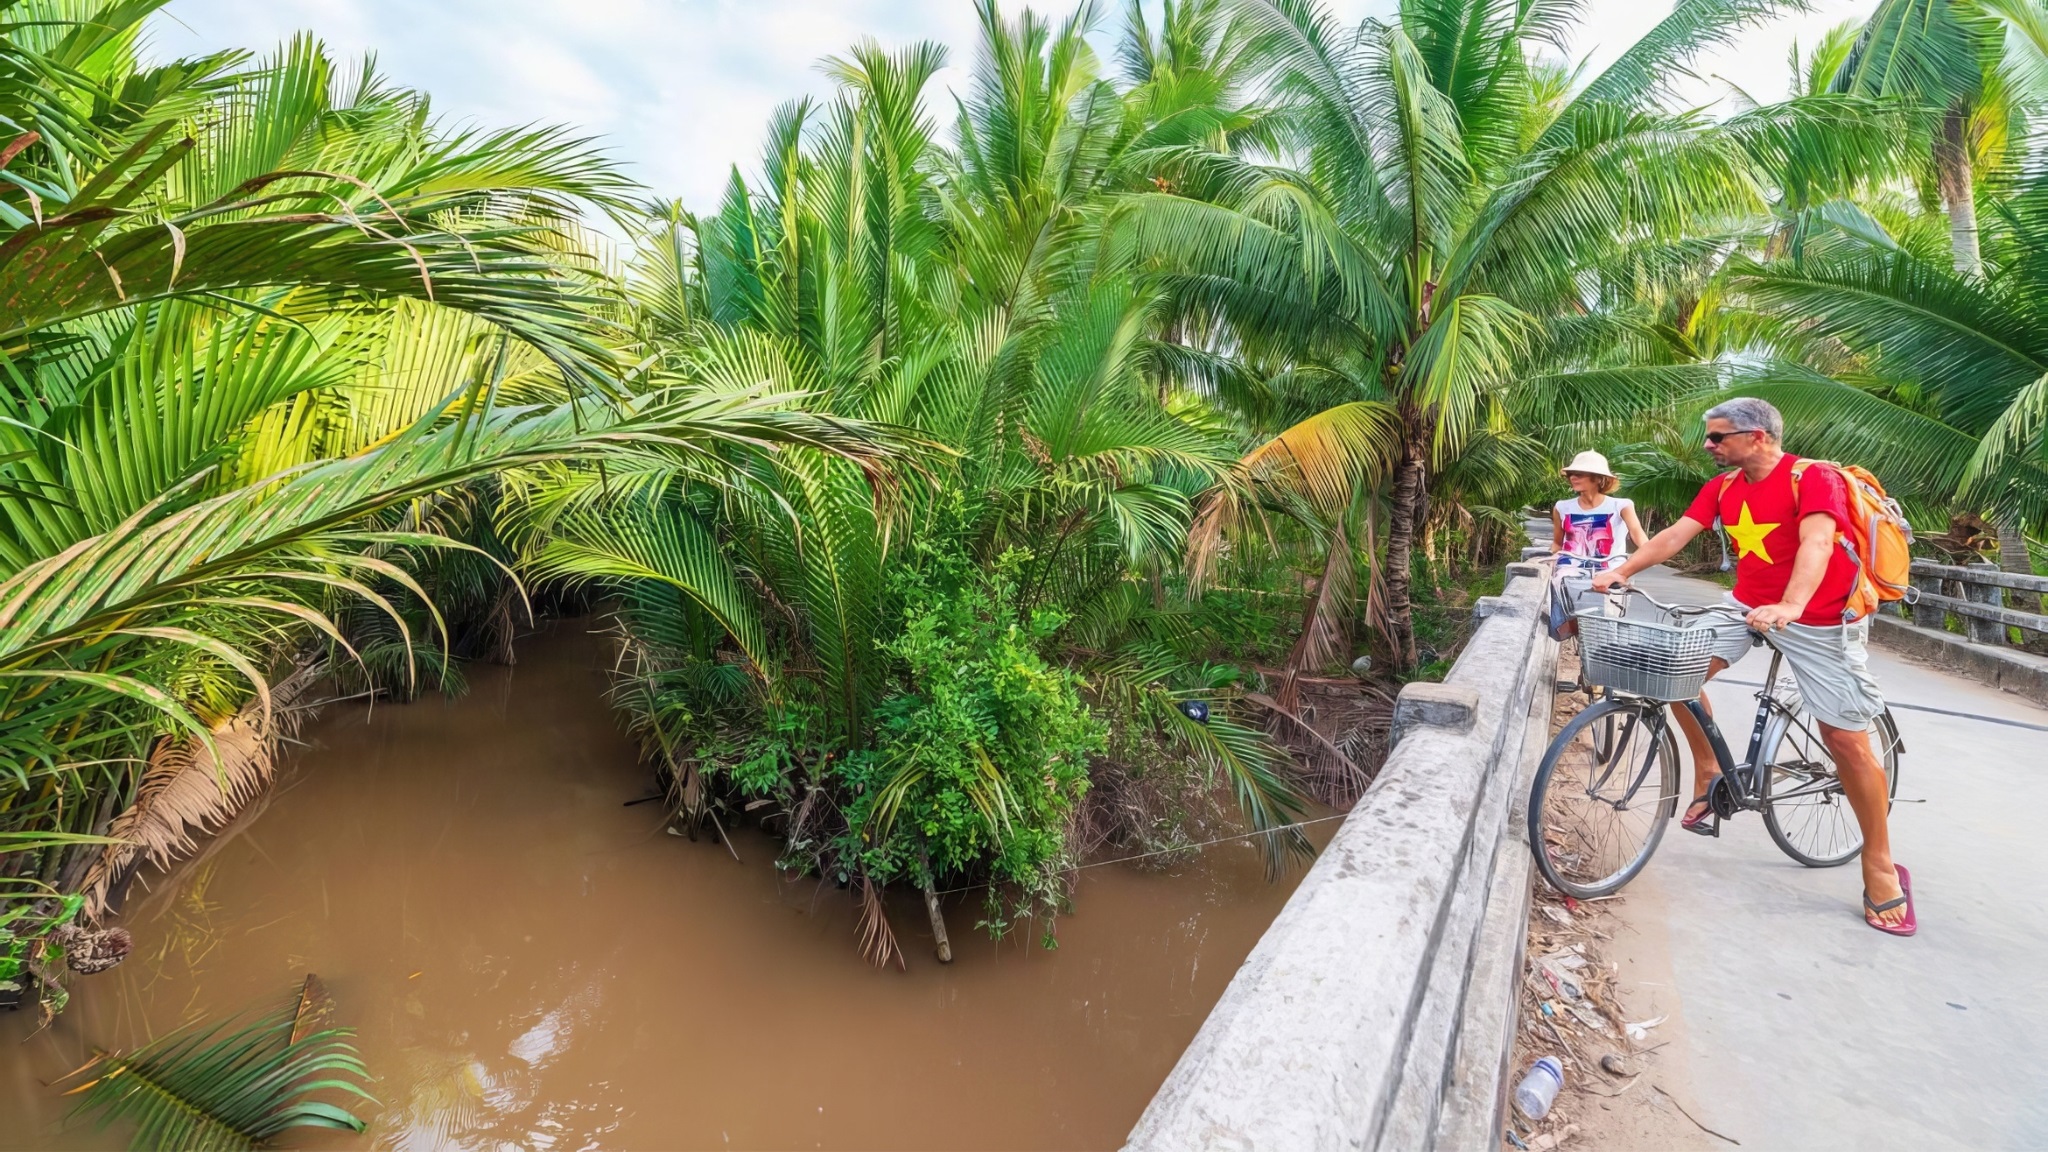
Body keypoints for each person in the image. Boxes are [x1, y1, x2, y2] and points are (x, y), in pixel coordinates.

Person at [1591, 398, 1912, 935]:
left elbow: (1815, 543)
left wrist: (1791, 605)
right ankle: (1709, 770)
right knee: (1671, 668)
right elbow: (1675, 534)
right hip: (1746, 607)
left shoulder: (1812, 478)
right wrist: (1621, 572)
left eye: (1718, 438)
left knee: (1846, 740)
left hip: (1822, 619)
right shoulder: (1722, 488)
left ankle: (1879, 862)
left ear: (1758, 436)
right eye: (1709, 437)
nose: (1708, 446)